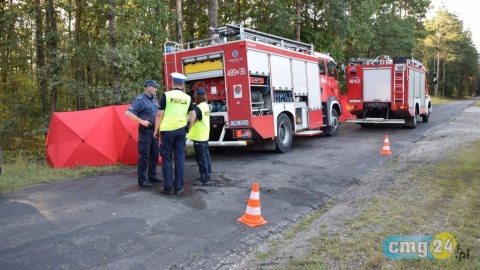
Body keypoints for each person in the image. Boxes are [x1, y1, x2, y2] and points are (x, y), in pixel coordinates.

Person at [154, 72, 196, 195]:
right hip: (181, 131)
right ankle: (179, 187)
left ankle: (168, 187)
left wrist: (156, 130)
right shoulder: (187, 98)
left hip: (167, 131)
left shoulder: (166, 96)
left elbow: (159, 114)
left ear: (172, 83)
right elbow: (193, 116)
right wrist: (189, 128)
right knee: (180, 158)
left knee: (166, 158)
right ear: (182, 85)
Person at [125, 79, 162, 188]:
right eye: (154, 87)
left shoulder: (155, 99)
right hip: (145, 132)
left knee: (155, 155)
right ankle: (142, 180)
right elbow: (128, 113)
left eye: (156, 87)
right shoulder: (140, 100)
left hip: (155, 131)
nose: (156, 89)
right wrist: (141, 121)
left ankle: (152, 176)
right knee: (144, 156)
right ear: (147, 87)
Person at [187, 88, 212, 186]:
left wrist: (188, 127)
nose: (194, 97)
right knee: (206, 156)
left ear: (198, 96)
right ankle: (207, 174)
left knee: (201, 158)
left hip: (199, 136)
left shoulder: (198, 108)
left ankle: (203, 178)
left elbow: (194, 119)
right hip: (205, 135)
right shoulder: (206, 106)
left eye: (195, 95)